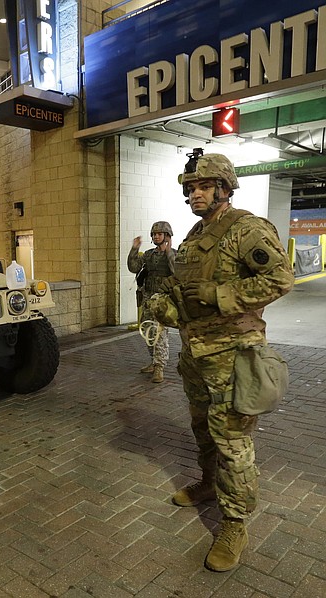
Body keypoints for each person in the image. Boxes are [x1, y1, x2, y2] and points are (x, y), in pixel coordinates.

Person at [147, 151, 294, 572]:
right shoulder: (196, 233)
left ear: (224, 188)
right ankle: (209, 484)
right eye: (190, 187)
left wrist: (219, 296)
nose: (194, 193)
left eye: (203, 186)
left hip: (234, 356)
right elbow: (187, 290)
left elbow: (280, 278)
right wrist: (167, 306)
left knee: (233, 442)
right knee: (202, 428)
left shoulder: (247, 228)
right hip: (197, 354)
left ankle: (235, 523)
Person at [127, 221, 176, 383]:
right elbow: (133, 267)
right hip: (148, 297)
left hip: (163, 298)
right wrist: (135, 249)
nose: (156, 236)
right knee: (147, 329)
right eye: (154, 234)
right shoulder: (148, 255)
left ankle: (159, 366)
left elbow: (176, 271)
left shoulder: (175, 254)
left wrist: (168, 252)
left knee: (159, 332)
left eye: (159, 234)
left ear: (167, 236)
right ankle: (153, 360)